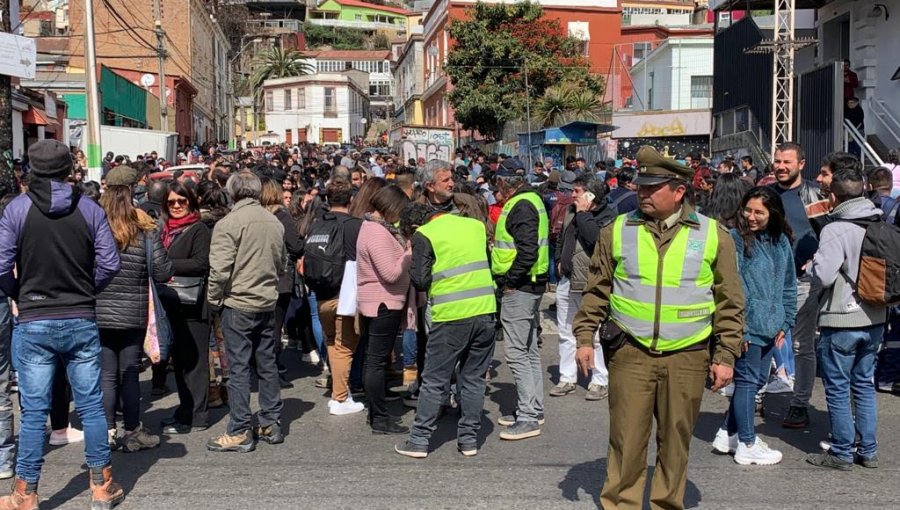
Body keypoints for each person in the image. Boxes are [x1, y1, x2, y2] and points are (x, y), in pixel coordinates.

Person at [573, 145, 744, 510]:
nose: (643, 193)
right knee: (626, 440)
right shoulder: (616, 230)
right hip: (630, 353)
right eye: (641, 186)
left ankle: (667, 503)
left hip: (688, 356)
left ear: (679, 191)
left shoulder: (714, 236)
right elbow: (596, 290)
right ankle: (621, 504)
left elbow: (730, 302)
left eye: (652, 188)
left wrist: (725, 354)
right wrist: (584, 337)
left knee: (675, 442)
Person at [0, 140, 124, 508]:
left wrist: (20, 293)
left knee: (35, 410)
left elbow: (1, 264)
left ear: (31, 170)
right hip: (80, 315)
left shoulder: (17, 210)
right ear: (69, 169)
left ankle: (25, 493)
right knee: (91, 405)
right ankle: (101, 486)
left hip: (35, 317)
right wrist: (88, 288)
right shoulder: (88, 208)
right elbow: (110, 262)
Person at [394, 204, 497, 458]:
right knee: (473, 379)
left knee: (434, 380)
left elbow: (420, 280)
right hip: (485, 311)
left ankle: (419, 440)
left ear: (415, 227)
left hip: (450, 316)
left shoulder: (425, 235)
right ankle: (469, 440)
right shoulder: (475, 226)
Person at [805, 164, 887, 470]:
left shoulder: (835, 228)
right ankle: (868, 450)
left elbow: (824, 275)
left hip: (842, 318)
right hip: (876, 317)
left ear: (834, 197)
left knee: (838, 387)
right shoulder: (881, 222)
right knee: (863, 385)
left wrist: (812, 266)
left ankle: (841, 451)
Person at [712, 186, 796, 465]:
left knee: (759, 380)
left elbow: (788, 284)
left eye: (759, 212)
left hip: (773, 325)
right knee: (748, 382)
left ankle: (728, 431)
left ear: (772, 213)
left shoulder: (781, 241)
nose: (751, 216)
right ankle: (747, 443)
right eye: (747, 210)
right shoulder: (734, 240)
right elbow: (730, 287)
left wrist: (787, 319)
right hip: (747, 325)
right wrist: (740, 328)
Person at [207, 172, 287, 452]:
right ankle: (270, 421)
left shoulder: (228, 223)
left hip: (238, 302)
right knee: (267, 363)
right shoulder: (274, 222)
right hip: (266, 300)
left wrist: (214, 300)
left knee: (239, 367)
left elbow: (219, 270)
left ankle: (240, 428)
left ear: (232, 193)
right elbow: (282, 263)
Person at [96, 167, 173, 452]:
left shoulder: (94, 223)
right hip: (134, 308)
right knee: (129, 372)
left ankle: (106, 431)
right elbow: (164, 270)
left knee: (106, 374)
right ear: (132, 190)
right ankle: (132, 431)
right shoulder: (144, 225)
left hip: (99, 308)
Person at [492, 165, 550, 441]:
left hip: (522, 285)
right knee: (527, 350)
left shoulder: (522, 205)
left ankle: (528, 416)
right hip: (531, 283)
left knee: (517, 352)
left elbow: (528, 250)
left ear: (505, 182)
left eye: (497, 184)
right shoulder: (530, 200)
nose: (496, 190)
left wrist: (511, 281)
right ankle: (532, 409)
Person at [770, 142, 825, 430]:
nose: (780, 166)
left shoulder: (815, 193)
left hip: (804, 282)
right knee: (763, 338)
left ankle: (799, 403)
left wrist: (819, 257)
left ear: (801, 164)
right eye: (777, 161)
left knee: (803, 344)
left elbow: (830, 231)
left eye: (787, 162)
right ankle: (753, 394)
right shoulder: (766, 194)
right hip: (770, 280)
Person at [552, 174, 616, 401]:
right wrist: (560, 260)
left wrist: (584, 214)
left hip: (591, 282)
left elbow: (596, 241)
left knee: (595, 333)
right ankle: (566, 377)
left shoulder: (608, 216)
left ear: (590, 195)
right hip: (568, 280)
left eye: (577, 192)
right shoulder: (571, 212)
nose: (572, 196)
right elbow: (562, 237)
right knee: (566, 332)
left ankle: (599, 380)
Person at [356, 186, 411, 434]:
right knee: (375, 361)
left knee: (373, 360)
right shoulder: (376, 232)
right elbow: (390, 273)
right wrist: (409, 253)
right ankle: (379, 417)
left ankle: (376, 414)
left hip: (378, 302)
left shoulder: (373, 228)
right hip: (382, 303)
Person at [307, 179, 365, 416]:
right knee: (344, 347)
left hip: (321, 293)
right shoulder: (355, 226)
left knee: (332, 343)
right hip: (346, 295)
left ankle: (340, 389)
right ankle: (340, 397)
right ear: (351, 200)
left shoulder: (317, 223)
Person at [159, 181, 212, 435]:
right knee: (179, 362)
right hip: (171, 303)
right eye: (171, 202)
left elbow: (201, 264)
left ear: (190, 201)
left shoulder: (198, 228)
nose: (177, 206)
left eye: (181, 201)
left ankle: (198, 415)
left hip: (194, 304)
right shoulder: (165, 230)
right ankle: (184, 410)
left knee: (196, 362)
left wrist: (165, 264)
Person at [259, 178, 304, 389]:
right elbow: (295, 246)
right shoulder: (281, 216)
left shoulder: (256, 215)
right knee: (275, 326)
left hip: (257, 278)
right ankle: (272, 370)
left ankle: (262, 367)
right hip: (280, 279)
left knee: (262, 326)